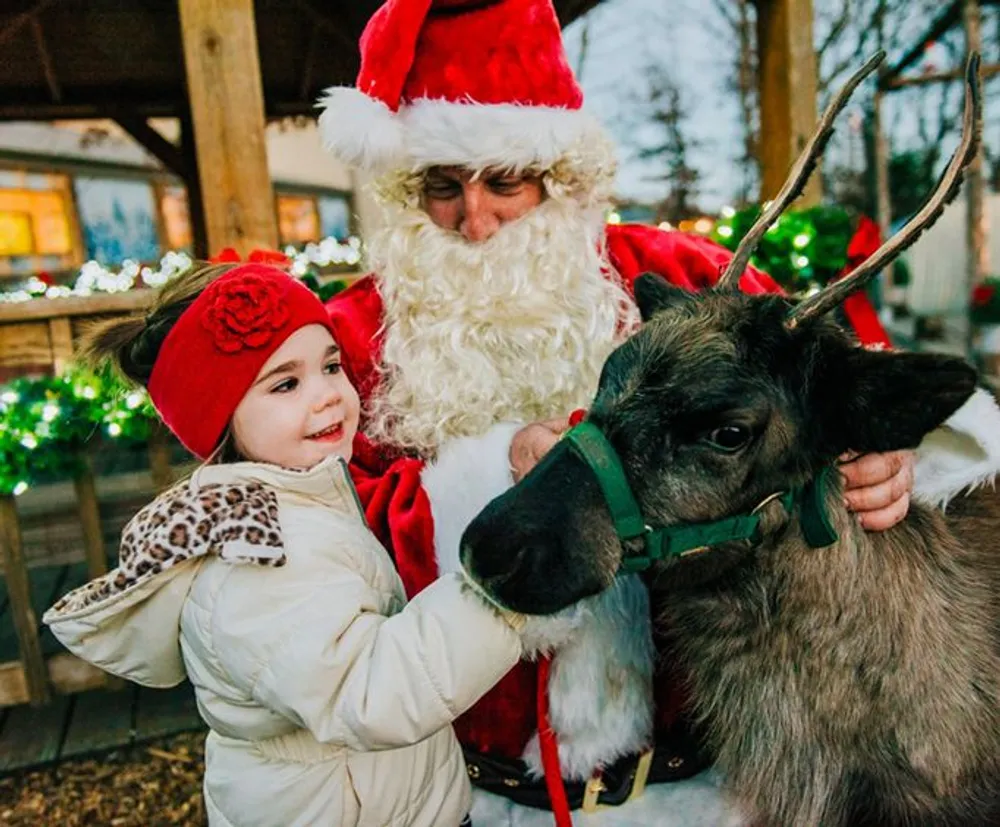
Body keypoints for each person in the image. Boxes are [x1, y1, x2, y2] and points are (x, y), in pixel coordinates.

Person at [318, 0, 1000, 823]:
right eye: (440, 187)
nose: (476, 219)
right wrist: (483, 473)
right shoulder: (346, 342)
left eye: (504, 180)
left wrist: (895, 459)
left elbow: (827, 382)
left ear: (558, 177)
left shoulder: (676, 272)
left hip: (701, 787)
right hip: (482, 794)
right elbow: (325, 530)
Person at [43, 260, 525, 827]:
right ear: (220, 418)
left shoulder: (300, 502)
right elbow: (368, 693)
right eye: (286, 384)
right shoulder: (256, 556)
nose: (327, 396)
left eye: (330, 366)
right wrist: (505, 589)